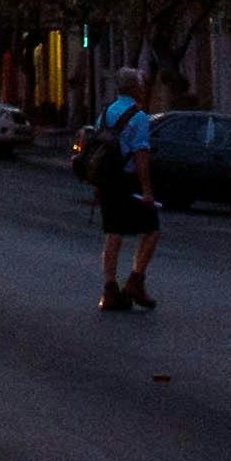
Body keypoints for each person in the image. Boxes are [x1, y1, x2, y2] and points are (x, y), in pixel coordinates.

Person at [85, 90, 161, 311]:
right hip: (127, 181)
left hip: (106, 179)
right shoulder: (139, 117)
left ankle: (110, 289)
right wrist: (147, 190)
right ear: (138, 88)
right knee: (152, 228)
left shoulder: (106, 112)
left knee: (113, 232)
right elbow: (141, 155)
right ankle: (135, 281)